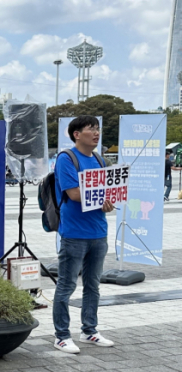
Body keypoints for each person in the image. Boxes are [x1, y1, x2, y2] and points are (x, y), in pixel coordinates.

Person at [53, 116, 115, 354]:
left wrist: (110, 200)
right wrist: (102, 201)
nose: (96, 133)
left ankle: (89, 330)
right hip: (74, 233)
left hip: (99, 232)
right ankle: (61, 336)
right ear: (76, 134)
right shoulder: (67, 159)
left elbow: (109, 190)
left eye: (98, 128)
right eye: (91, 129)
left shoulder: (99, 159)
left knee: (93, 285)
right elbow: (74, 194)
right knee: (66, 285)